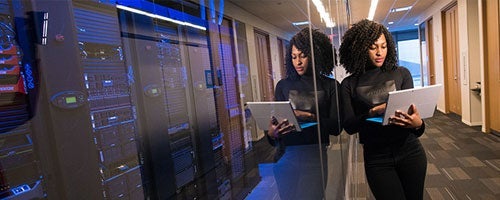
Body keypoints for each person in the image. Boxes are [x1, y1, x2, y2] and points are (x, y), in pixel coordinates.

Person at [338, 19, 427, 200]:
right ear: (361, 49)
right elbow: (349, 125)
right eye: (373, 47)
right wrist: (371, 113)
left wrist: (418, 124)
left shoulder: (401, 74)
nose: (380, 52)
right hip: (377, 159)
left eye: (384, 46)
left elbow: (415, 125)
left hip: (410, 151)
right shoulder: (349, 84)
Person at [266, 27, 341, 199]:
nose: (298, 62)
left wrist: (310, 117)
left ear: (315, 56)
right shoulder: (283, 86)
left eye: (303, 56)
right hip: (285, 157)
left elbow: (336, 127)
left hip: (314, 158)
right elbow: (275, 128)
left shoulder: (330, 86)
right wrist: (271, 134)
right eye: (293, 57)